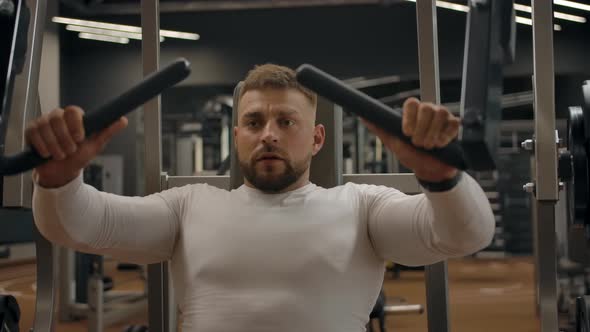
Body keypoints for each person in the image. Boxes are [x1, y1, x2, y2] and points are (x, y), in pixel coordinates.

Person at [30, 64, 494, 331]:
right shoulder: (189, 207)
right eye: (254, 123)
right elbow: (79, 223)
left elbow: (464, 234)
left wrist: (440, 177)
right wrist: (60, 178)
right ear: (237, 137)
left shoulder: (362, 207)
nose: (268, 134)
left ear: (316, 139)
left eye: (285, 122)